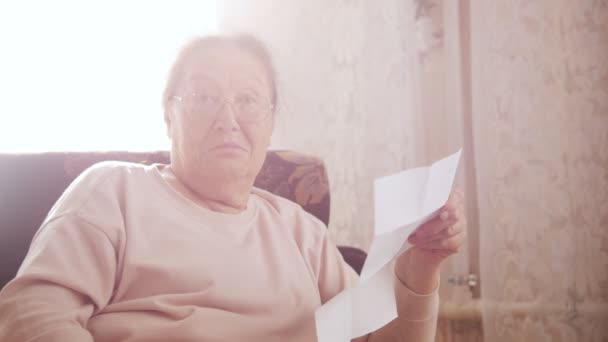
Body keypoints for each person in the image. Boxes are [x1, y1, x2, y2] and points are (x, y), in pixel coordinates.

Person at [0, 34, 466, 341]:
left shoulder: (300, 231)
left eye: (247, 100)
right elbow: (34, 317)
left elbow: (376, 338)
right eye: (204, 98)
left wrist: (420, 265)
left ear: (270, 121)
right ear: (168, 116)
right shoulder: (112, 191)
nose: (228, 120)